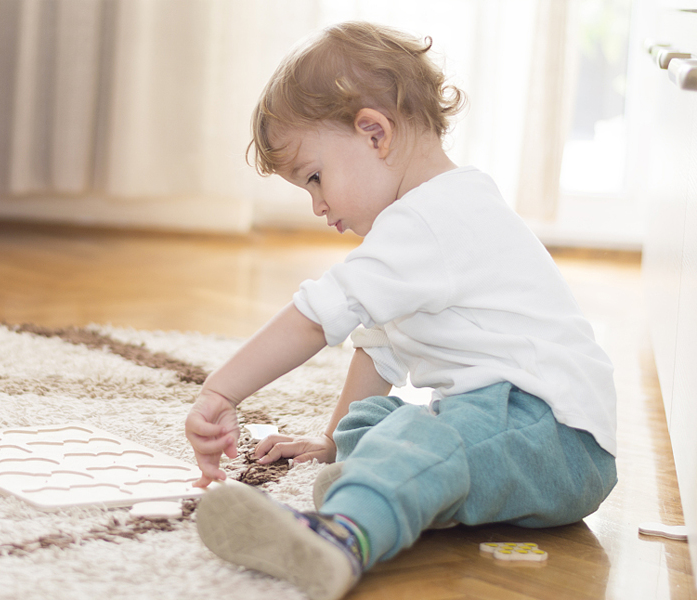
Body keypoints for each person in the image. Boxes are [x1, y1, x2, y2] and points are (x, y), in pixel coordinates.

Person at [184, 21, 617, 600]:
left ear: (374, 133)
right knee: (376, 426)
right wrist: (334, 439)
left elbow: (316, 318)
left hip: (556, 436)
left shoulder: (432, 219)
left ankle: (345, 536)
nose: (317, 205)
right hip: (515, 430)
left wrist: (221, 391)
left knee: (419, 434)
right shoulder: (424, 221)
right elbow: (380, 345)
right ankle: (374, 486)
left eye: (315, 178)